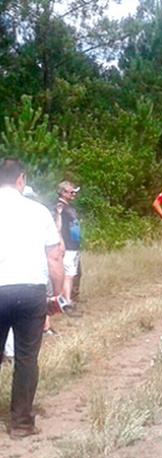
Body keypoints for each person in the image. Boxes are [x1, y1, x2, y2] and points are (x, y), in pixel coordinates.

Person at [0, 159, 64, 438]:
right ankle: (22, 423)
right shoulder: (38, 212)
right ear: (21, 179)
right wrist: (57, 293)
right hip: (30, 289)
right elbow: (54, 256)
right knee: (26, 358)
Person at [55, 181, 82, 303]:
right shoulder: (59, 207)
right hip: (67, 246)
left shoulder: (69, 207)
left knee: (75, 273)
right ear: (63, 192)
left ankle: (71, 297)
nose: (74, 194)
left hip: (74, 245)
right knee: (68, 274)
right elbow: (58, 227)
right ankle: (66, 301)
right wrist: (61, 243)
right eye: (72, 192)